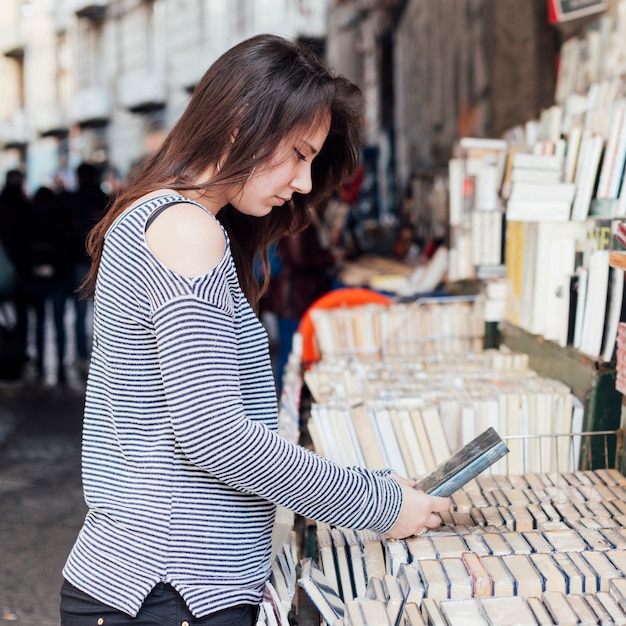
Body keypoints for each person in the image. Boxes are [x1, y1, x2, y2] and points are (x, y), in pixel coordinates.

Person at [60, 34, 450, 626]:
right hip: (166, 590)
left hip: (159, 588)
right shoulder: (187, 231)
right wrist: (377, 502)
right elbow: (215, 436)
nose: (301, 180)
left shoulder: (164, 217)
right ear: (242, 124)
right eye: (299, 153)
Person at [261, 198, 342, 393]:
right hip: (293, 299)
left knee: (294, 353)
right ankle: (286, 402)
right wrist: (331, 257)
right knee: (291, 355)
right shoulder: (297, 216)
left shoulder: (305, 214)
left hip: (300, 295)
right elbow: (298, 258)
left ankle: (288, 400)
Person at [21, 186, 74, 383]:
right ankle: (60, 366)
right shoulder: (60, 217)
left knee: (39, 322)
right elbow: (68, 247)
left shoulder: (29, 218)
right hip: (58, 277)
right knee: (59, 322)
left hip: (35, 279)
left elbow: (22, 248)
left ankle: (42, 365)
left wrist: (33, 268)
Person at [67, 162, 110, 375]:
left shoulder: (74, 199)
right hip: (102, 260)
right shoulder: (102, 198)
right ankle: (102, 357)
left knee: (80, 311)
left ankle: (83, 356)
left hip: (79, 261)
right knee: (105, 311)